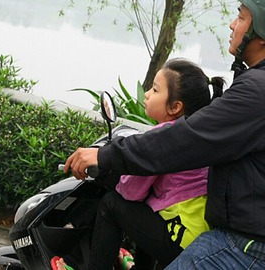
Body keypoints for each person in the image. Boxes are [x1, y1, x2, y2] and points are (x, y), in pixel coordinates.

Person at [64, 0, 265, 270]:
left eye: (241, 17)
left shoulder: (262, 90)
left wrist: (105, 155)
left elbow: (184, 140)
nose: (232, 25)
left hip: (253, 248)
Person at [88, 59, 225, 270]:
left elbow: (131, 192)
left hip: (179, 237)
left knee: (112, 204)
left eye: (154, 89)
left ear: (175, 107)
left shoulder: (162, 138)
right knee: (150, 212)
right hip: (198, 237)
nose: (147, 94)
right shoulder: (196, 135)